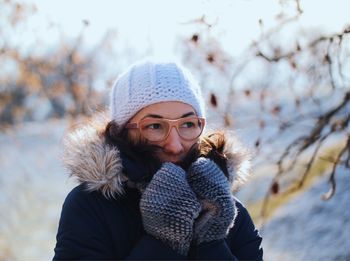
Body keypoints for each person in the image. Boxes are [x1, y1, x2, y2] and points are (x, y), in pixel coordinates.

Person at [53, 60, 263, 260]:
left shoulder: (227, 211)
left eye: (188, 124)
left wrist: (211, 243)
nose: (175, 145)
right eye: (154, 126)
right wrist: (163, 243)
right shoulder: (90, 207)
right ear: (123, 131)